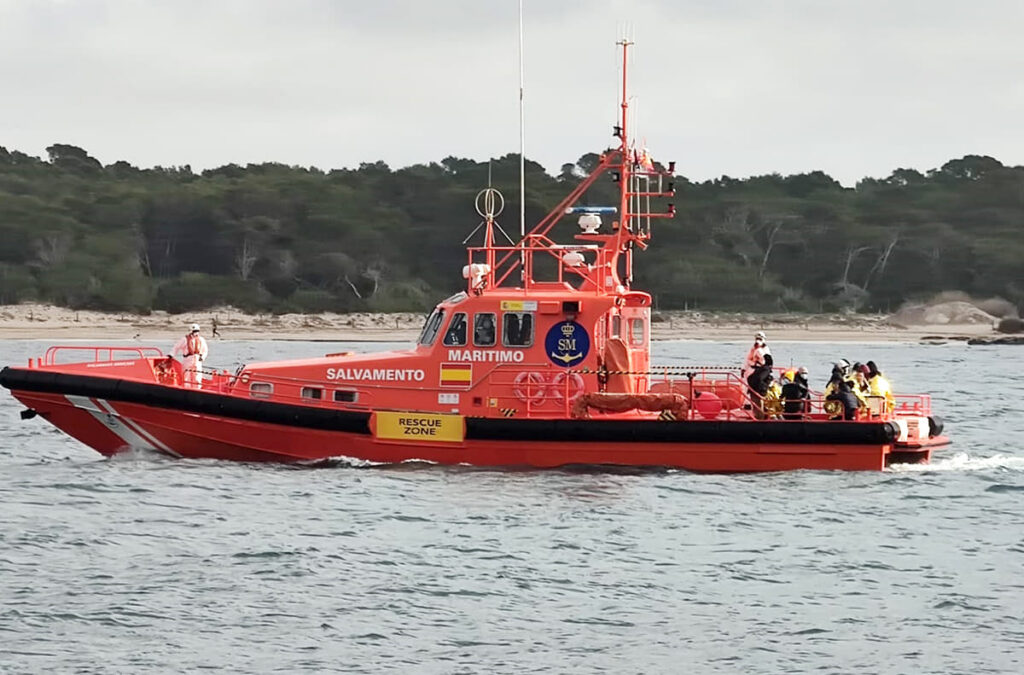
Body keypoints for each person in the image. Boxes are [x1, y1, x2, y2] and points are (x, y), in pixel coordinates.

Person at [172, 323, 209, 389]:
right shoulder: (184, 339)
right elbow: (176, 347)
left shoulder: (201, 340)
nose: (196, 333)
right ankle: (186, 388)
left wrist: (203, 357)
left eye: (197, 331)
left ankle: (197, 389)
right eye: (195, 331)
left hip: (197, 360)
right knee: (187, 376)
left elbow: (205, 350)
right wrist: (171, 354)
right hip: (188, 359)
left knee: (197, 376)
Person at [747, 353, 774, 419]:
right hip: (758, 390)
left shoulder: (760, 369)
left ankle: (759, 418)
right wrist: (764, 387)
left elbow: (749, 378)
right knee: (759, 407)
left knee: (757, 407)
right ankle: (760, 420)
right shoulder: (765, 369)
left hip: (754, 389)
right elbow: (759, 378)